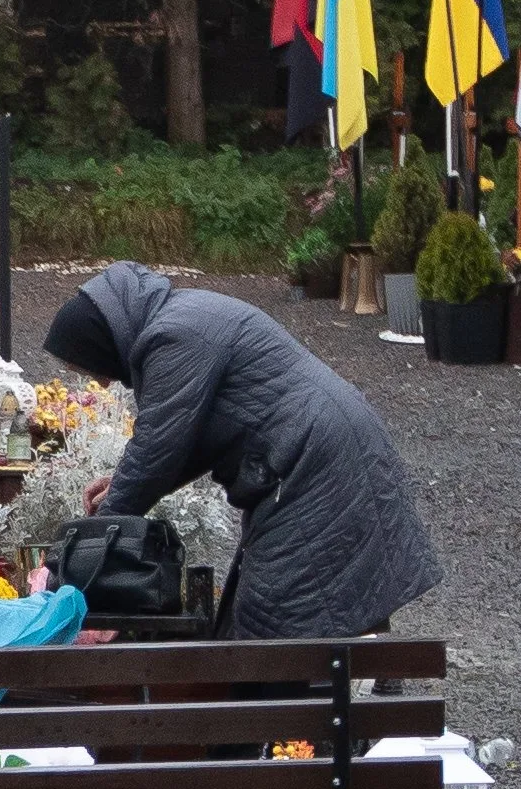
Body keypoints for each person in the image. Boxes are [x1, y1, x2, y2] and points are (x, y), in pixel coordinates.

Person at [40, 261, 438, 639]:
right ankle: (362, 680)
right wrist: (120, 486)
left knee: (277, 615)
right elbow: (184, 439)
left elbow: (156, 449)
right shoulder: (179, 319)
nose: (102, 382)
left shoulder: (176, 336)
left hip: (313, 462)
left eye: (91, 367)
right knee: (287, 606)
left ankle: (349, 693)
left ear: (100, 342)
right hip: (316, 454)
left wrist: (92, 543)